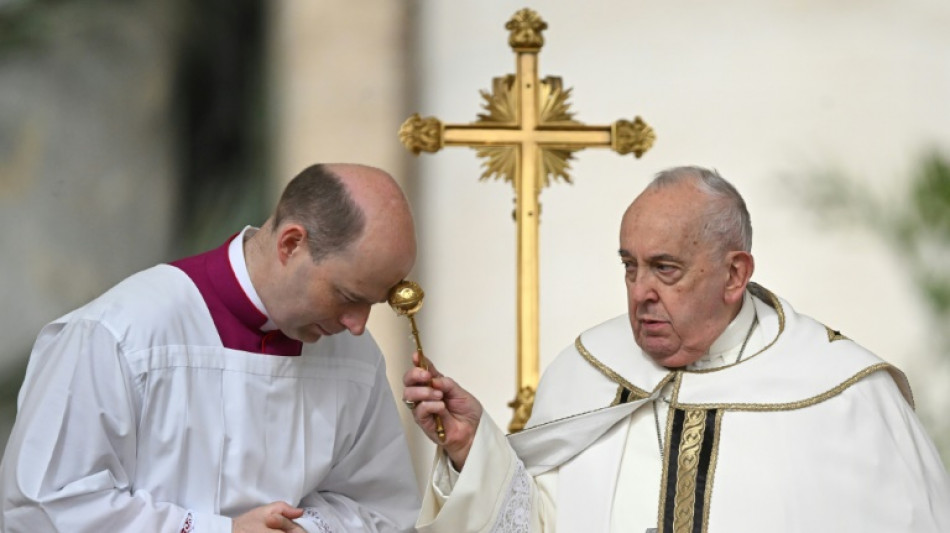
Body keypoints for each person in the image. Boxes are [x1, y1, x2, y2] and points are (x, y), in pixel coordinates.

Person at [403, 166, 950, 532]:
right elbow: (539, 522)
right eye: (630, 266)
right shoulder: (585, 372)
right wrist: (474, 452)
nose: (642, 292)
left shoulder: (844, 394)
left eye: (666, 269)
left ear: (734, 274)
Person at [0, 164, 421, 532]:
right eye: (348, 296)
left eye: (374, 302)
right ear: (291, 244)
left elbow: (383, 510)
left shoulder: (355, 358)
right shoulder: (119, 333)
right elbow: (42, 507)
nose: (358, 324)